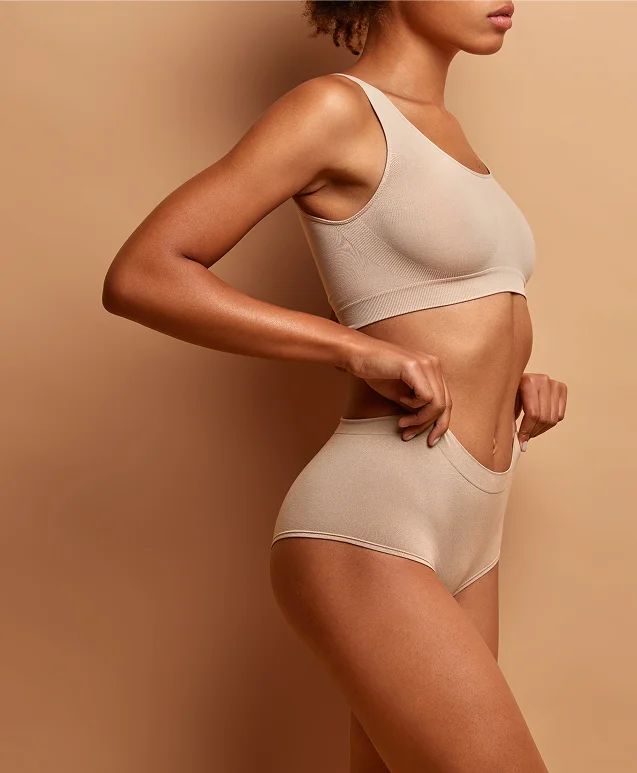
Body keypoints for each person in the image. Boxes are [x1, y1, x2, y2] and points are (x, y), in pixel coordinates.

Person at [102, 1, 567, 770]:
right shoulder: (336, 111)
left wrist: (514, 380)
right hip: (376, 517)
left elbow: (445, 308)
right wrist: (353, 350)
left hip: (476, 528)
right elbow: (145, 273)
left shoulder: (448, 134)